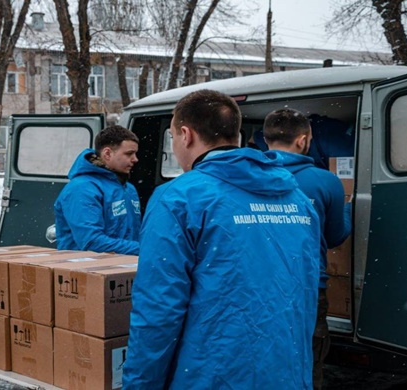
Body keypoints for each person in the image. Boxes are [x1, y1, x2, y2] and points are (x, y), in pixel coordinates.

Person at [123, 89, 321, 389]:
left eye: (173, 138)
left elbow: (159, 309)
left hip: (213, 374)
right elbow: (305, 289)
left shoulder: (179, 197)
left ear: (186, 135)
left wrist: (140, 384)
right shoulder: (297, 198)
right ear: (236, 134)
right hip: (287, 371)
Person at [264, 108, 352, 389]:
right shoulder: (325, 180)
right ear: (303, 140)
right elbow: (336, 235)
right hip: (308, 289)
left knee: (262, 359)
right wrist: (348, 210)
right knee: (307, 361)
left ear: (266, 140)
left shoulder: (244, 178)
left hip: (256, 286)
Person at [54, 125, 141, 255]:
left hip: (125, 267)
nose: (135, 159)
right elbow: (91, 242)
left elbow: (135, 234)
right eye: (129, 154)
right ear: (107, 154)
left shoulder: (128, 189)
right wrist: (144, 249)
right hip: (88, 271)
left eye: (135, 153)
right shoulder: (82, 189)